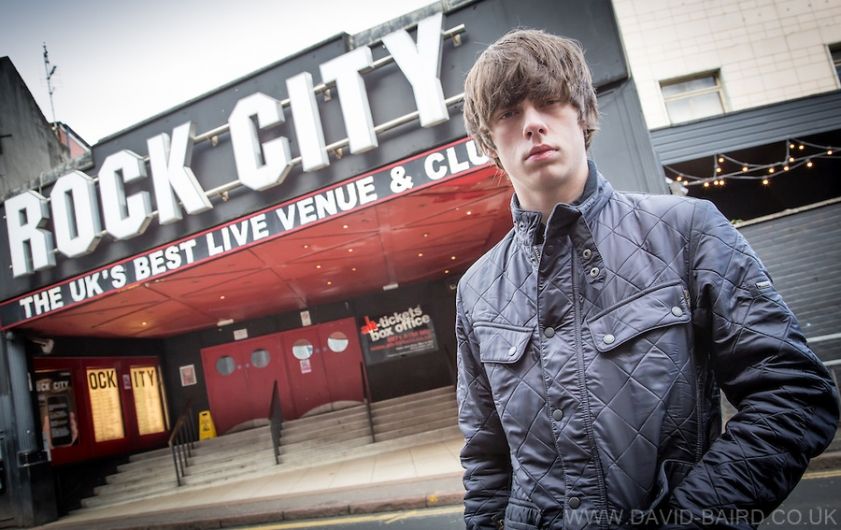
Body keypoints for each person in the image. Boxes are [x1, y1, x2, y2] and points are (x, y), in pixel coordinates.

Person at [455, 29, 840, 530]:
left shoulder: (689, 230)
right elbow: (486, 462)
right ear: (488, 141)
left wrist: (691, 520)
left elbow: (794, 393)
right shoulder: (475, 290)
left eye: (549, 102)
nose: (532, 124)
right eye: (508, 113)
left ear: (583, 114)